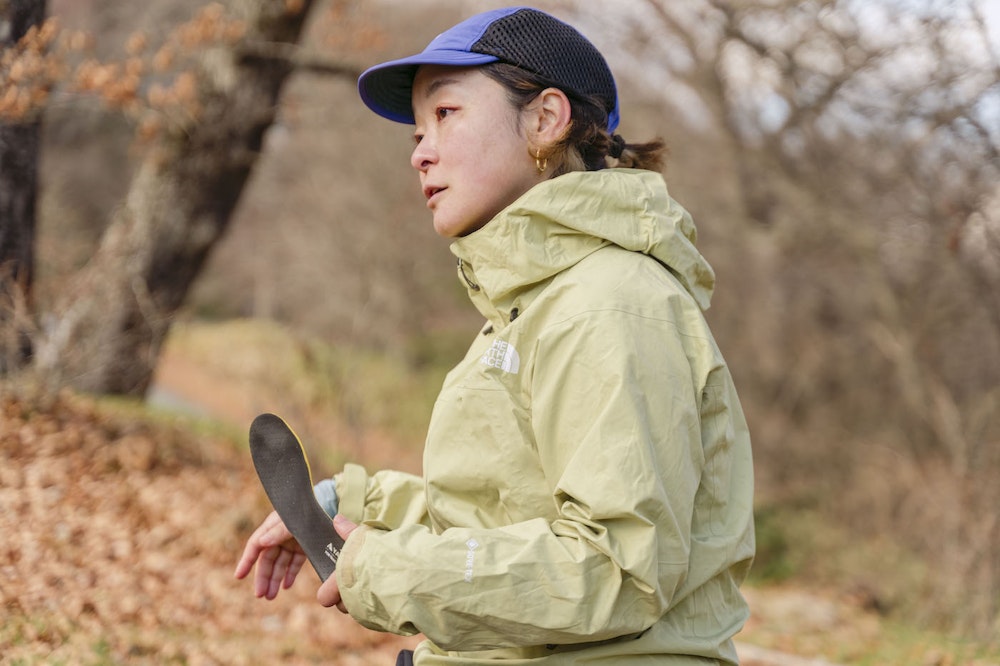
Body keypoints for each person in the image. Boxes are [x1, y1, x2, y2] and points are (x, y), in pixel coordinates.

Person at [235, 6, 755, 665]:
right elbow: (505, 517)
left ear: (544, 120)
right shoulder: (535, 304)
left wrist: (390, 570)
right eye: (416, 132)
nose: (421, 150)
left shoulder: (611, 304)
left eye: (445, 114)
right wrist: (357, 505)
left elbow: (616, 570)